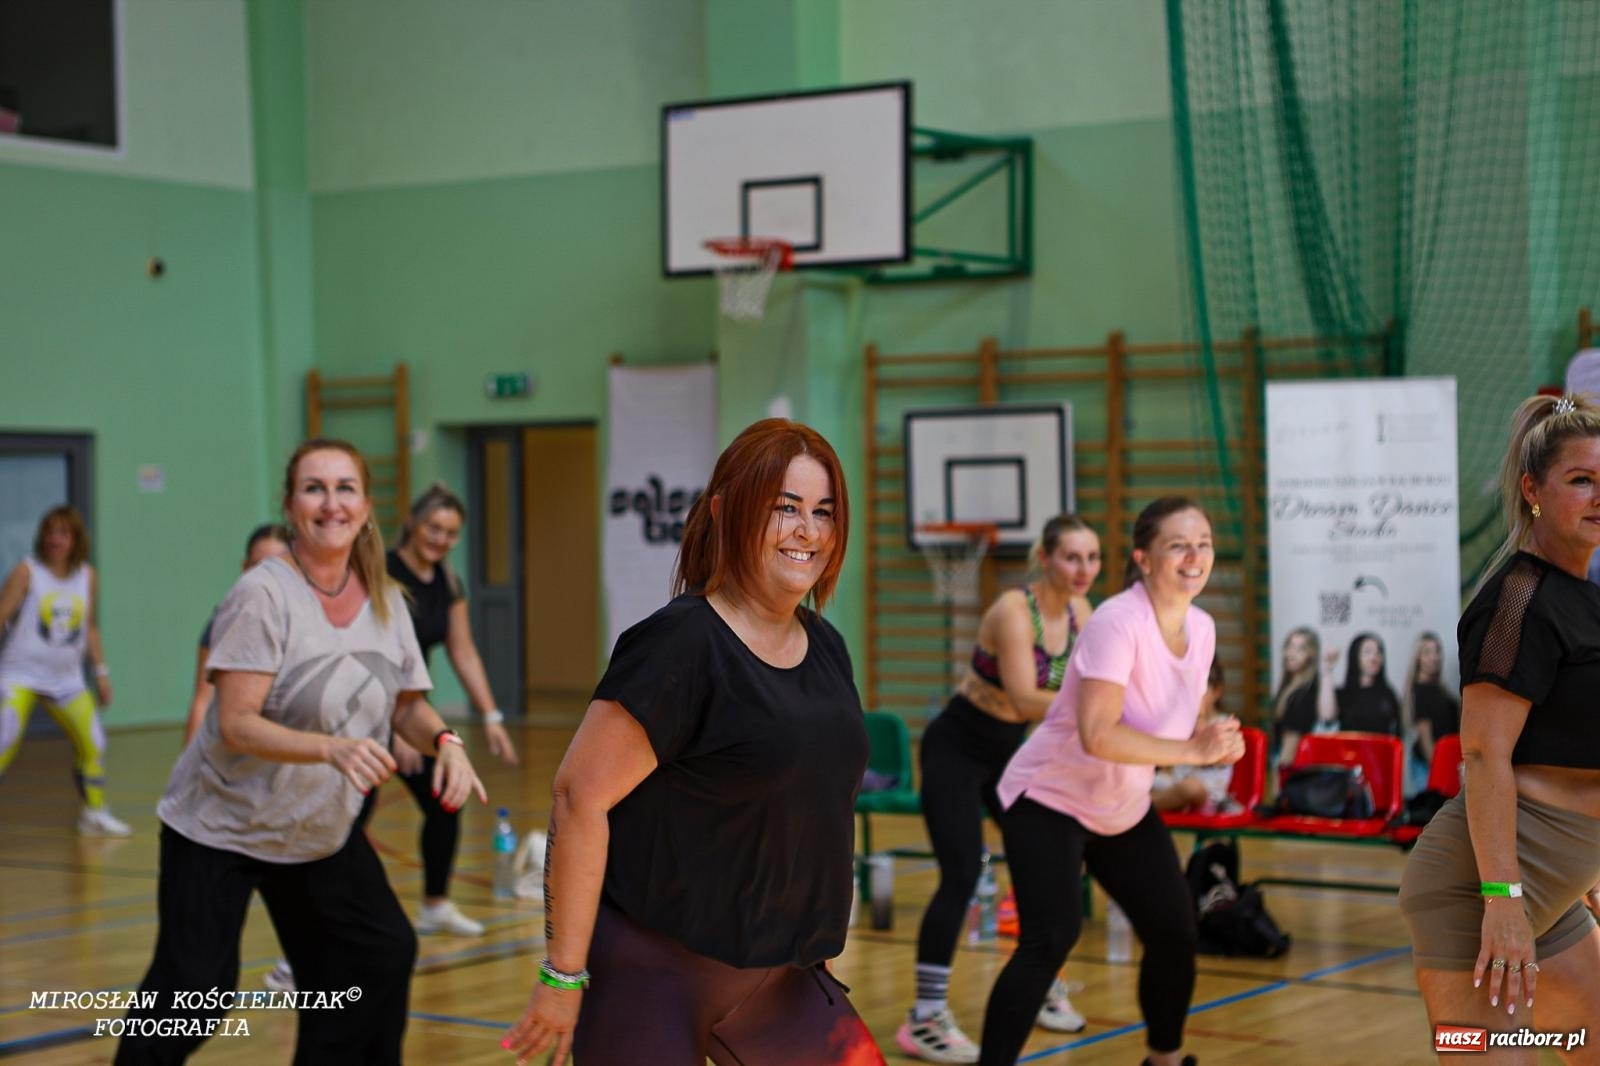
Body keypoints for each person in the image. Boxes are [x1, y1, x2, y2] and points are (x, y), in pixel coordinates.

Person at [502, 419, 884, 1066]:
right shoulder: (681, 645)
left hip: (781, 974)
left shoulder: (827, 647)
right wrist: (563, 974)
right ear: (724, 510)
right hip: (653, 970)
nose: (808, 531)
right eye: (784, 509)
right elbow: (578, 799)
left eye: (823, 512)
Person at [115, 439, 486, 1065]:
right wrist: (332, 750)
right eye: (314, 488)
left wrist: (447, 742)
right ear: (291, 506)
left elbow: (407, 707)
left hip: (316, 831)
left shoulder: (388, 601)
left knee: (377, 955)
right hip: (220, 830)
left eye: (345, 488)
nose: (331, 502)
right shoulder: (264, 595)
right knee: (194, 996)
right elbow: (235, 723)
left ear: (367, 506)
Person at [977, 496, 1242, 1066]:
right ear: (1144, 559)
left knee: (1174, 931)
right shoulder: (1117, 621)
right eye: (1179, 544)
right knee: (1050, 938)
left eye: (1205, 543)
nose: (1195, 555)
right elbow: (1099, 734)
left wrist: (1215, 734)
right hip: (1048, 798)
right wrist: (1192, 749)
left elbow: (1176, 722)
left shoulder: (1202, 628)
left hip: (1120, 805)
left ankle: (1163, 1062)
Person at [1400, 394, 1600, 1056]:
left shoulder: (1584, 595)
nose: (1598, 496)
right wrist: (1502, 899)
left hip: (1553, 890)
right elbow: (1485, 756)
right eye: (1581, 480)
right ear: (1532, 490)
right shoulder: (1517, 600)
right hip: (1477, 893)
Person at [898, 515, 1100, 1064]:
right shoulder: (1014, 611)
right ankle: (924, 1018)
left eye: (1092, 558)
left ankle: (1039, 981)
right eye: (1071, 557)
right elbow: (1026, 697)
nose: (1083, 569)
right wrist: (1101, 713)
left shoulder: (1084, 614)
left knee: (1048, 861)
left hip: (1012, 753)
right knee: (962, 872)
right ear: (1045, 557)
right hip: (957, 748)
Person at [380, 483, 520, 936]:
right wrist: (395, 730)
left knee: (446, 799)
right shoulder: (383, 573)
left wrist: (491, 716)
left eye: (451, 533)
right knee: (348, 816)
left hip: (413, 710)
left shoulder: (448, 581)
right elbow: (372, 655)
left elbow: (463, 652)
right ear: (412, 524)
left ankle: (435, 904)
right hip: (369, 712)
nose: (440, 539)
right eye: (433, 528)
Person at [0, 505, 128, 837]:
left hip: (67, 679)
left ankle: (95, 813)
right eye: (51, 532)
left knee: (94, 742)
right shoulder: (26, 572)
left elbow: (91, 629)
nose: (56, 539)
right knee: (4, 739)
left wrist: (101, 673)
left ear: (76, 540)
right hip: (20, 674)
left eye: (64, 533)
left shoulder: (87, 576)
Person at [182, 523, 291, 746]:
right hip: (243, 760)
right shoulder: (225, 622)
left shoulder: (309, 623)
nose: (267, 578)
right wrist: (188, 773)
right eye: (258, 567)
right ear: (244, 567)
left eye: (277, 567)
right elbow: (202, 701)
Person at [1151, 660, 1236, 815]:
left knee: (1191, 787)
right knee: (1145, 781)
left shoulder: (1223, 723)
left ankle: (1144, 809)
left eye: (1200, 691)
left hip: (1207, 794)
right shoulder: (1183, 722)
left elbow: (1217, 758)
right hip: (1175, 784)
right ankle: (1143, 806)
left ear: (1216, 691)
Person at [1403, 631, 1459, 793]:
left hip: (1441, 763)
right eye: (1427, 652)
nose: (1434, 657)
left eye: (1437, 651)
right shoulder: (1421, 690)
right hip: (1428, 766)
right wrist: (1439, 769)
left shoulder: (1439, 688)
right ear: (1418, 657)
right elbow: (1425, 735)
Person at [1320, 632, 1401, 736]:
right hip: (1348, 751)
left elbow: (1398, 732)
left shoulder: (1388, 693)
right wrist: (1327, 670)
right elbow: (1327, 716)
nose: (1374, 657)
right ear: (1355, 656)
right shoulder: (1345, 693)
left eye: (1378, 652)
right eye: (1367, 652)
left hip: (1378, 751)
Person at [1270, 627, 1322, 765]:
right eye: (1290, 647)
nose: (1291, 654)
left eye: (1300, 649)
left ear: (1311, 655)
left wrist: (1282, 778)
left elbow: (1291, 744)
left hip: (1294, 767)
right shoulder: (1289, 685)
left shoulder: (1304, 693)